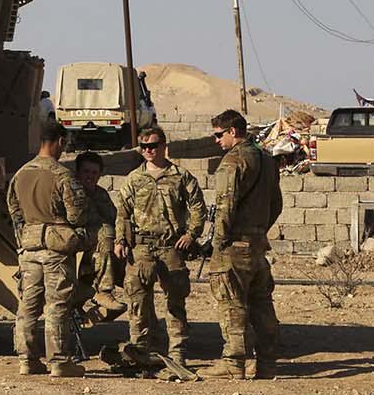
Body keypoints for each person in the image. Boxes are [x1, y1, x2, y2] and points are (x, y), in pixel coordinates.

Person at [202, 108, 284, 380]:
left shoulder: (233, 161)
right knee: (261, 303)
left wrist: (218, 241)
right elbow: (276, 204)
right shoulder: (266, 159)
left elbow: (225, 205)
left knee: (231, 303)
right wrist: (259, 230)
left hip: (234, 245)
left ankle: (234, 361)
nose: (216, 141)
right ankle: (267, 362)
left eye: (218, 135)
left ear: (232, 131)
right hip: (258, 245)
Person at [115, 126, 205, 365]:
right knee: (138, 302)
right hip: (142, 248)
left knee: (175, 301)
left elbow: (197, 207)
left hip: (170, 247)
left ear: (164, 146)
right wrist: (120, 240)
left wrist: (191, 234)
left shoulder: (181, 176)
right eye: (143, 147)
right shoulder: (135, 178)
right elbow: (122, 213)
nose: (148, 151)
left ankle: (177, 351)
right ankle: (139, 350)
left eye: (152, 146)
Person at [7, 120, 87, 377]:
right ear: (60, 142)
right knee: (58, 303)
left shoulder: (21, 174)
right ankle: (60, 361)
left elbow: (14, 212)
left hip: (28, 248)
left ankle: (26, 360)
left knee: (28, 303)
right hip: (55, 249)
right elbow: (77, 215)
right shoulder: (62, 175)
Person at [73, 151, 125, 320]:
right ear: (78, 172)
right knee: (105, 232)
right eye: (86, 172)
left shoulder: (101, 194)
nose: (90, 176)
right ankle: (103, 291)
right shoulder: (72, 193)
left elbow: (114, 218)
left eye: (94, 173)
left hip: (101, 250)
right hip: (78, 246)